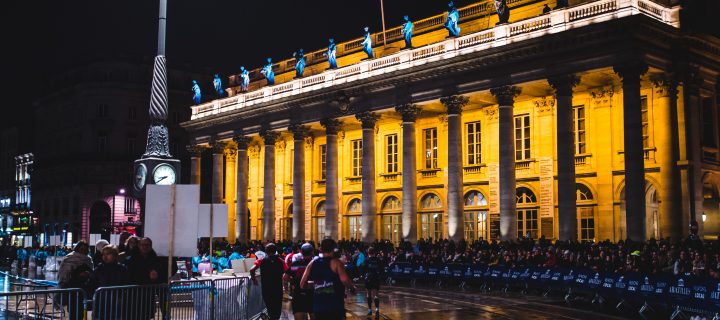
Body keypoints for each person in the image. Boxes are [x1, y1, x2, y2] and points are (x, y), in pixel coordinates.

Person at [301, 238, 356, 320]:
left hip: (318, 307)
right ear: (334, 249)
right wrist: (352, 288)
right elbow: (344, 280)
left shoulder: (312, 263)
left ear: (321, 249)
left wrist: (317, 284)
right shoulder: (336, 263)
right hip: (335, 306)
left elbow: (302, 284)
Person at [249, 243, 288, 320]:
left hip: (266, 288)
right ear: (275, 251)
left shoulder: (261, 260)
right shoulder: (281, 261)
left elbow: (252, 270)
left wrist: (254, 280)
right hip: (277, 288)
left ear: (265, 251)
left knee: (269, 306)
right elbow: (287, 272)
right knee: (277, 307)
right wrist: (285, 285)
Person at [58, 240, 93, 320]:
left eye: (85, 249)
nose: (83, 251)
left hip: (85, 291)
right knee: (73, 313)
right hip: (73, 290)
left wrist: (88, 274)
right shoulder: (70, 258)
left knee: (84, 313)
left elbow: (92, 273)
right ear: (77, 249)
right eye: (81, 249)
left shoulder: (88, 259)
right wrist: (78, 275)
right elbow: (64, 274)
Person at [285, 243, 315, 320]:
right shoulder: (316, 264)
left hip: (298, 295)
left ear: (301, 252)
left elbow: (285, 277)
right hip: (313, 295)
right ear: (312, 252)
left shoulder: (295, 264)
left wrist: (294, 281)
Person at [363, 247, 384, 318]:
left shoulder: (366, 260)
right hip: (376, 278)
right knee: (376, 295)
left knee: (368, 294)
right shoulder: (378, 260)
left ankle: (369, 310)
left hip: (368, 279)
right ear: (374, 253)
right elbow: (382, 269)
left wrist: (363, 276)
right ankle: (377, 310)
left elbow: (363, 269)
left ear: (368, 253)